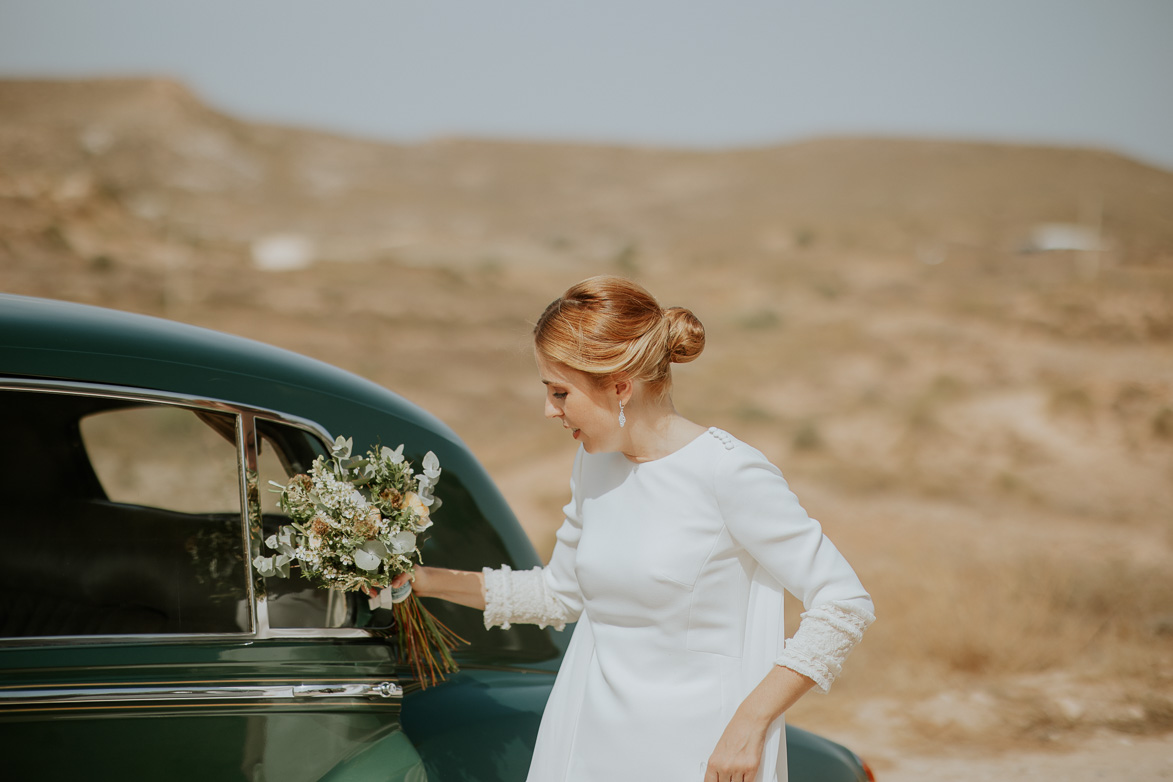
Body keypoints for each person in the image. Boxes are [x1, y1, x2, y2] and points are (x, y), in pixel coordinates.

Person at [390, 276, 874, 782]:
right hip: (586, 744)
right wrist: (423, 580)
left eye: (560, 392)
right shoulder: (593, 464)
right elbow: (560, 594)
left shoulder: (728, 472)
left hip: (698, 749)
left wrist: (749, 726)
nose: (549, 410)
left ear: (621, 386)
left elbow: (843, 603)